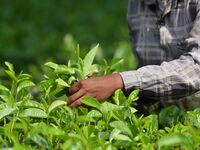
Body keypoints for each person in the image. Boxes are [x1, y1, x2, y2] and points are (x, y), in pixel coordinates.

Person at [67, 0, 200, 110]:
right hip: (165, 123)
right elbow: (146, 70)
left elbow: (197, 68)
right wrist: (107, 93)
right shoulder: (137, 4)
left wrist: (119, 81)